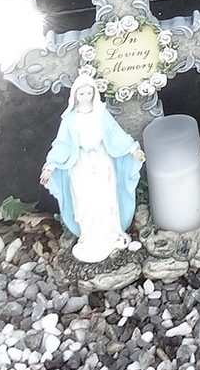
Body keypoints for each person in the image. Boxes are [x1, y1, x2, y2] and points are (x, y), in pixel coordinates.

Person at [41, 75, 143, 262]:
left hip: (103, 161)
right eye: (82, 93)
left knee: (105, 199)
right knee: (85, 202)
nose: (86, 96)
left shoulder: (101, 113)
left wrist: (133, 149)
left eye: (89, 92)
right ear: (75, 95)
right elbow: (61, 144)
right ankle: (89, 238)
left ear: (94, 93)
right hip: (81, 165)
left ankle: (110, 234)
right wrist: (50, 166)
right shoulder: (70, 119)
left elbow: (115, 132)